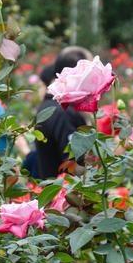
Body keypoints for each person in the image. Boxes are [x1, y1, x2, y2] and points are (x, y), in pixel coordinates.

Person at [34, 46, 92, 179]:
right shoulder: (63, 113)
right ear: (77, 75)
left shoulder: (48, 108)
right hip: (67, 195)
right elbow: (76, 168)